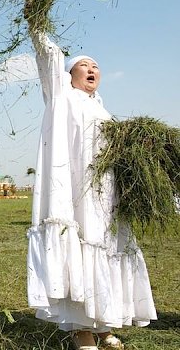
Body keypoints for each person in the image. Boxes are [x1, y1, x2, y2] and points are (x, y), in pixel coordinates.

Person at [26, 31, 156, 350]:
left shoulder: (103, 111)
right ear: (70, 75)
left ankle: (102, 326)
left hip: (105, 193)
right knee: (82, 249)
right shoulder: (61, 96)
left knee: (107, 247)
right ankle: (81, 331)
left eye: (96, 66)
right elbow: (49, 60)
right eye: (84, 65)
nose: (92, 69)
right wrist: (38, 28)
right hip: (74, 191)